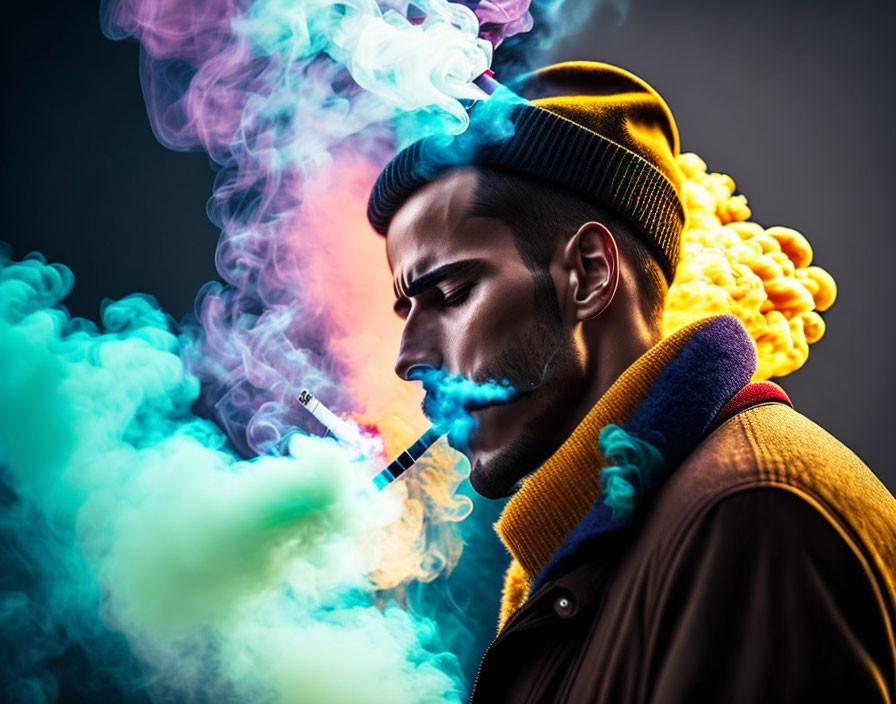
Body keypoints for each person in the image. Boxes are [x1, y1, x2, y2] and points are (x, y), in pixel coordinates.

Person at [367, 62, 896, 703]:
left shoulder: (754, 520)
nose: (409, 358)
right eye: (407, 311)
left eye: (450, 294)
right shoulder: (594, 556)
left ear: (588, 275)